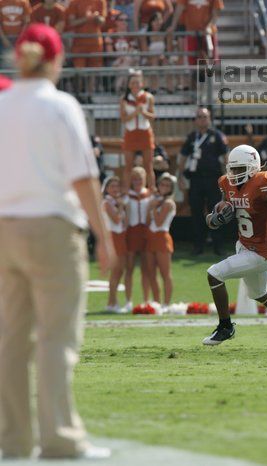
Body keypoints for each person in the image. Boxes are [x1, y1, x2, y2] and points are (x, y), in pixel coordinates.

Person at [0, 23, 115, 459]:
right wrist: (103, 235)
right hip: (51, 228)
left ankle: (12, 438)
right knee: (56, 336)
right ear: (55, 59)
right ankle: (59, 437)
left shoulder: (2, 103)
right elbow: (82, 177)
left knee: (12, 338)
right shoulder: (60, 105)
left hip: (5, 227)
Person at [202, 145, 267, 348]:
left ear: (252, 167)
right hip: (243, 246)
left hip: (261, 252)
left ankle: (225, 326)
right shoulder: (227, 183)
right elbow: (216, 212)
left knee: (214, 274)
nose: (234, 173)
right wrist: (215, 219)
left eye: (240, 169)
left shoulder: (263, 183)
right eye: (232, 169)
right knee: (258, 293)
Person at [177, 107, 229, 255]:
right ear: (195, 120)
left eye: (205, 117)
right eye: (199, 117)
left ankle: (218, 246)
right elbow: (183, 157)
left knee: (216, 211)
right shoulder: (192, 137)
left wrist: (227, 179)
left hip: (214, 179)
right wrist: (180, 176)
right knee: (196, 212)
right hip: (196, 180)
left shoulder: (217, 135)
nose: (202, 119)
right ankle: (198, 245)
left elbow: (226, 157)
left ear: (210, 119)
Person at [120, 69, 156, 192]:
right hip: (130, 133)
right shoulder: (124, 99)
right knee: (128, 166)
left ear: (142, 84)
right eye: (133, 83)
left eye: (137, 82)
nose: (135, 85)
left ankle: (152, 189)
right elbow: (124, 119)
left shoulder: (148, 97)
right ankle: (126, 191)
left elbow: (153, 116)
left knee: (148, 165)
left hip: (145, 132)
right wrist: (135, 113)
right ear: (129, 85)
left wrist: (144, 112)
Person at [146, 173, 176, 310]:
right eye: (162, 184)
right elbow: (147, 221)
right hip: (150, 237)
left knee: (165, 273)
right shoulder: (155, 200)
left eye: (167, 185)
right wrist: (151, 206)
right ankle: (157, 302)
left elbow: (159, 222)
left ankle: (166, 303)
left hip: (162, 237)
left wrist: (152, 207)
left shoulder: (169, 202)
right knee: (151, 272)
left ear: (171, 188)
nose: (164, 187)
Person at [125, 166, 153, 310]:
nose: (137, 181)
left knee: (146, 268)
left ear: (145, 180)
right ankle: (128, 301)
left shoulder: (149, 194)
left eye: (140, 179)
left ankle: (146, 300)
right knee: (129, 268)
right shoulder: (126, 195)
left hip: (145, 232)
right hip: (131, 232)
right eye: (134, 179)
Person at [167, 0, 222, 66]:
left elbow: (216, 12)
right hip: (192, 32)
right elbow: (179, 8)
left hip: (207, 33)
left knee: (210, 59)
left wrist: (209, 26)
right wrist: (173, 26)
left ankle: (210, 74)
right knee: (192, 61)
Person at [102, 175, 129, 313]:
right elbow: (117, 219)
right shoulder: (107, 203)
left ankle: (113, 302)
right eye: (112, 186)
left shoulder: (116, 202)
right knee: (115, 271)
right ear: (106, 189)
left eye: (117, 186)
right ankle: (111, 303)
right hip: (113, 236)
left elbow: (125, 222)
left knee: (120, 271)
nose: (115, 189)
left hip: (121, 236)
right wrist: (120, 206)